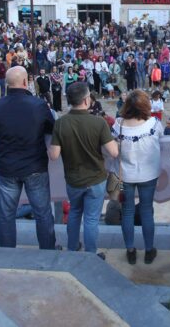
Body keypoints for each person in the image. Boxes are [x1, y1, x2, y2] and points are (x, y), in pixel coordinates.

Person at [0, 66, 57, 250]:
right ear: (26, 82)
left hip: (7, 168)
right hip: (35, 167)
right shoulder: (38, 105)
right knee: (42, 213)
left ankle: (8, 254)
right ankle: (48, 252)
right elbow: (52, 128)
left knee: (6, 215)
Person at [50, 82, 119, 256]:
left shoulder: (61, 123)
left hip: (73, 180)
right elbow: (113, 152)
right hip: (96, 179)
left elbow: (54, 155)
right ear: (87, 100)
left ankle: (72, 248)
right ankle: (91, 253)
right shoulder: (99, 122)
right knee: (91, 219)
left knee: (74, 213)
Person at [112, 90, 163, 265]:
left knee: (127, 212)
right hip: (149, 174)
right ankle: (149, 251)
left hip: (125, 175)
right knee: (147, 211)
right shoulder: (154, 124)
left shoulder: (118, 125)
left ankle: (130, 250)